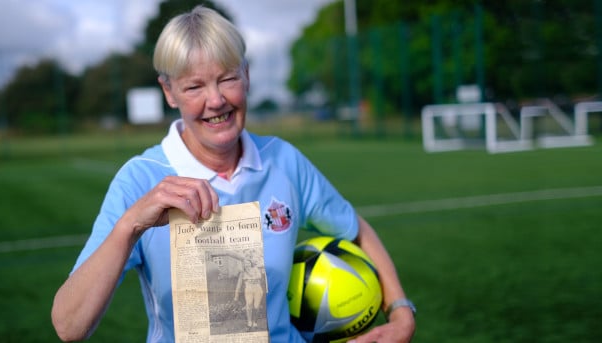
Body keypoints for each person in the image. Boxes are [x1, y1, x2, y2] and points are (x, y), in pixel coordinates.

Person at [51, 5, 415, 343]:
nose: (216, 100)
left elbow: (355, 228)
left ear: (247, 75)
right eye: (194, 86)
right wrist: (130, 225)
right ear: (169, 92)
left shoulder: (284, 160)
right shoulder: (141, 180)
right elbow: (69, 326)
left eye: (227, 79)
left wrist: (400, 311)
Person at [234, 259, 265, 330]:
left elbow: (259, 277)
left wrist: (249, 275)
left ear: (251, 263)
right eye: (245, 263)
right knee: (249, 304)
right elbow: (239, 284)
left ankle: (255, 322)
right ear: (243, 265)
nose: (247, 264)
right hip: (248, 289)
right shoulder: (242, 273)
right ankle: (249, 322)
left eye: (248, 263)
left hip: (257, 288)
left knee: (256, 307)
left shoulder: (255, 269)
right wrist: (236, 295)